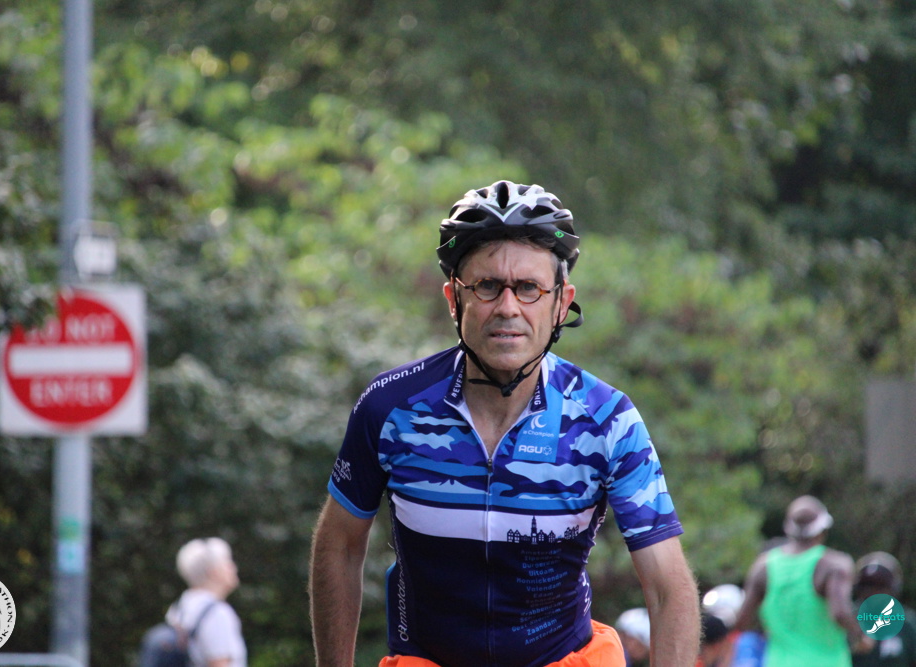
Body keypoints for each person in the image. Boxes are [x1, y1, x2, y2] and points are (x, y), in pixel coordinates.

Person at [309, 180, 701, 667]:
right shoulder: (390, 408)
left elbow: (667, 589)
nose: (508, 308)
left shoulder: (607, 419)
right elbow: (340, 545)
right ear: (454, 299)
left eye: (530, 288)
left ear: (562, 303)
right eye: (488, 286)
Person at [734, 495, 872, 666]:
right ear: (823, 530)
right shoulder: (834, 565)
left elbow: (742, 621)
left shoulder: (763, 567)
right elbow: (840, 613)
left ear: (788, 529)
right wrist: (861, 635)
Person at [167, 537, 248, 667]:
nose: (234, 568)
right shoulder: (217, 613)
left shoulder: (179, 607)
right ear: (214, 571)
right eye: (227, 562)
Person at [852, 551, 916, 667]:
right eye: (867, 586)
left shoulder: (907, 623)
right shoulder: (847, 619)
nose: (873, 593)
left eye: (880, 587)